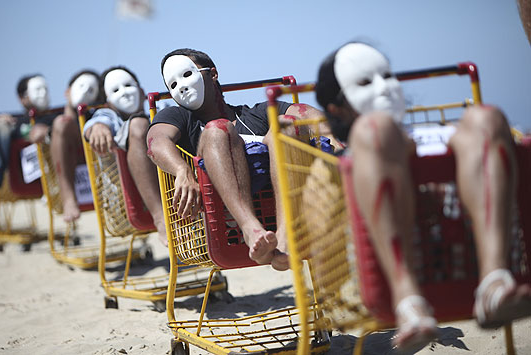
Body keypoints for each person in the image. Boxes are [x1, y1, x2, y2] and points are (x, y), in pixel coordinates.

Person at [314, 42, 531, 352]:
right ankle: (408, 300)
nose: (385, 88)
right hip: (391, 271)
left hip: (461, 252)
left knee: (488, 117)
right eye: (364, 82)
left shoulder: (435, 133)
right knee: (375, 130)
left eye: (388, 76)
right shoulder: (343, 158)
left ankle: (494, 279)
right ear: (337, 108)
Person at [147, 48, 325, 271]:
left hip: (283, 218)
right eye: (172, 85)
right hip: (224, 229)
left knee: (285, 124)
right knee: (216, 130)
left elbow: (311, 115)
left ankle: (285, 236)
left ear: (213, 74)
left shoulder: (257, 114)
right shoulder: (180, 117)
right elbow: (157, 141)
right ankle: (250, 228)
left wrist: (337, 139)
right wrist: (182, 170)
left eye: (186, 75)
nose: (180, 86)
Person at [82, 66, 167, 244]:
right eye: (115, 90)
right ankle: (160, 218)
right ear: (107, 103)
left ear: (141, 91)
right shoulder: (109, 116)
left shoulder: (160, 108)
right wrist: (96, 127)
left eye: (129, 85)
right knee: (137, 124)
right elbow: (97, 122)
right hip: (130, 199)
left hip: (170, 188)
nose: (124, 93)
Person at [0, 74, 55, 204]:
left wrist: (49, 131)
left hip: (54, 175)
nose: (43, 94)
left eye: (45, 89)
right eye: (37, 89)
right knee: (1, 126)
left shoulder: (57, 117)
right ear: (22, 98)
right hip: (22, 178)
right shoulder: (15, 122)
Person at [50, 69, 102, 222]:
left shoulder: (98, 118)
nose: (85, 92)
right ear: (67, 92)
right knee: (62, 123)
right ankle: (68, 199)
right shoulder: (51, 118)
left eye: (91, 90)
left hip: (97, 176)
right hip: (64, 173)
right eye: (81, 86)